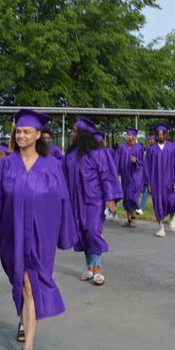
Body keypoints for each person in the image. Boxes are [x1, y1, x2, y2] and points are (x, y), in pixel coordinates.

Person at [0, 109, 77, 350]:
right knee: (19, 279)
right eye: (18, 131)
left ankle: (28, 347)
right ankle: (23, 317)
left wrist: (64, 232)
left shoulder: (52, 165)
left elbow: (63, 200)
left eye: (26, 131)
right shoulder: (6, 164)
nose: (21, 135)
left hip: (41, 234)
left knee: (30, 284)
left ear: (39, 134)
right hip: (12, 232)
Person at [65, 117, 122, 287]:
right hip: (76, 200)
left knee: (93, 231)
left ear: (82, 134)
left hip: (94, 200)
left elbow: (108, 177)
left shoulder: (99, 152)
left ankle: (98, 269)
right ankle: (89, 268)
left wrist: (110, 199)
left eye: (75, 131)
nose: (71, 133)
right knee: (82, 232)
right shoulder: (71, 154)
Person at [145, 123, 175, 237]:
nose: (160, 136)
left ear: (165, 134)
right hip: (156, 182)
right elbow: (147, 168)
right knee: (157, 203)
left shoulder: (174, 148)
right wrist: (148, 183)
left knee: (171, 201)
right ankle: (161, 228)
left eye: (162, 134)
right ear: (156, 136)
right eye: (158, 134)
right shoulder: (151, 150)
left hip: (170, 180)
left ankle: (172, 217)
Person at [115, 127, 144, 228]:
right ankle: (129, 219)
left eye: (129, 135)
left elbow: (141, 162)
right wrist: (116, 174)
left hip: (135, 176)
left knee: (132, 196)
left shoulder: (139, 148)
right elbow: (116, 162)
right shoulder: (122, 148)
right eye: (127, 135)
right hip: (125, 176)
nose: (127, 136)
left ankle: (134, 217)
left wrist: (136, 162)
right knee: (126, 197)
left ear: (134, 136)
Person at [137, 133, 157, 215]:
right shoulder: (148, 150)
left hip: (156, 173)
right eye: (149, 139)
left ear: (155, 141)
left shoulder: (157, 150)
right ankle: (141, 208)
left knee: (155, 191)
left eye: (151, 139)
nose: (149, 141)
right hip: (148, 172)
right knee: (146, 190)